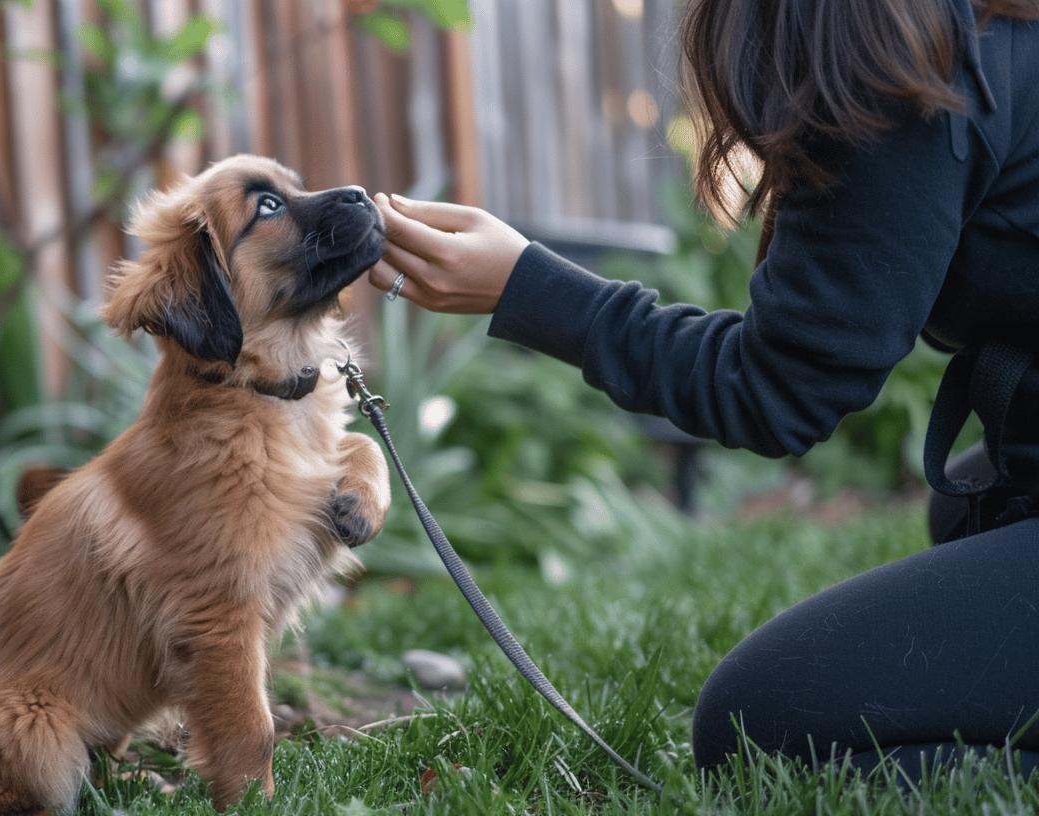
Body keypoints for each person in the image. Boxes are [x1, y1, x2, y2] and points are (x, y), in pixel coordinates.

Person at [369, 0, 1039, 778]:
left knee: (761, 729)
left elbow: (779, 387)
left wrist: (528, 289)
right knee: (965, 504)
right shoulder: (973, 28)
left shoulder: (897, 69)